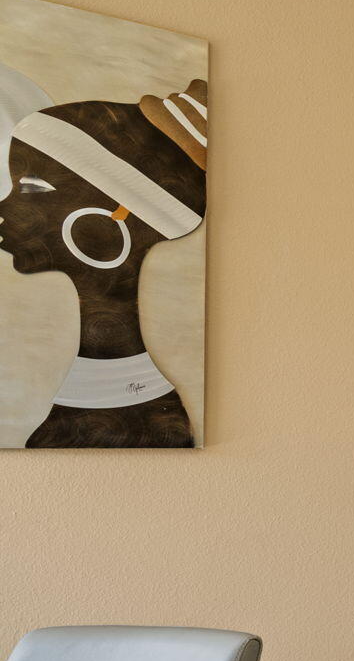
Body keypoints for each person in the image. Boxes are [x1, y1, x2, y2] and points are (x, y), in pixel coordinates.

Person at [0, 79, 207, 447]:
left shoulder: (133, 420)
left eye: (32, 187)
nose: (5, 207)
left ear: (109, 223)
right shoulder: (109, 403)